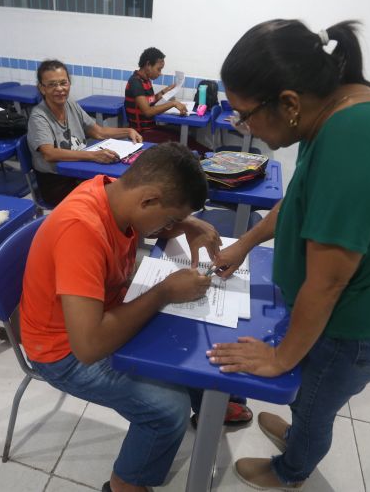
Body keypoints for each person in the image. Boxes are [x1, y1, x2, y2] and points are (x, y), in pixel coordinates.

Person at [205, 19, 370, 489]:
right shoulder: (343, 110)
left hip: (360, 329)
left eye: (245, 115)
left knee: (314, 403)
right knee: (307, 396)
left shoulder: (351, 137)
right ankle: (299, 430)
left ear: (288, 102)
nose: (243, 126)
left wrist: (279, 358)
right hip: (358, 319)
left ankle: (291, 470)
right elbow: (299, 203)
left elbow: (329, 281)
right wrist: (244, 243)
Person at [20, 143, 244, 492]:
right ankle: (125, 484)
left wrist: (186, 223)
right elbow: (88, 347)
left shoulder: (112, 191)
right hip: (61, 351)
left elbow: (150, 220)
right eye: (169, 219)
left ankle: (212, 407)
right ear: (149, 200)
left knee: (192, 337)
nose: (170, 227)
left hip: (103, 310)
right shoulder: (81, 229)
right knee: (168, 411)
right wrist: (164, 292)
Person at [28, 59, 143, 206]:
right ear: (42, 88)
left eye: (63, 83)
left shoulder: (71, 105)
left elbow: (98, 132)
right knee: (112, 199)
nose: (59, 89)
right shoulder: (39, 116)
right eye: (52, 84)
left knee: (123, 189)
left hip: (79, 173)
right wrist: (93, 156)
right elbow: (50, 153)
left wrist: (128, 130)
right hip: (57, 182)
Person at [124, 47, 189, 144]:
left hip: (150, 128)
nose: (160, 73)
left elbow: (149, 100)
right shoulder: (136, 83)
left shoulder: (145, 80)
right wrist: (173, 103)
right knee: (181, 141)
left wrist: (164, 92)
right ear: (148, 65)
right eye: (158, 69)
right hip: (141, 134)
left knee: (180, 135)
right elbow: (148, 112)